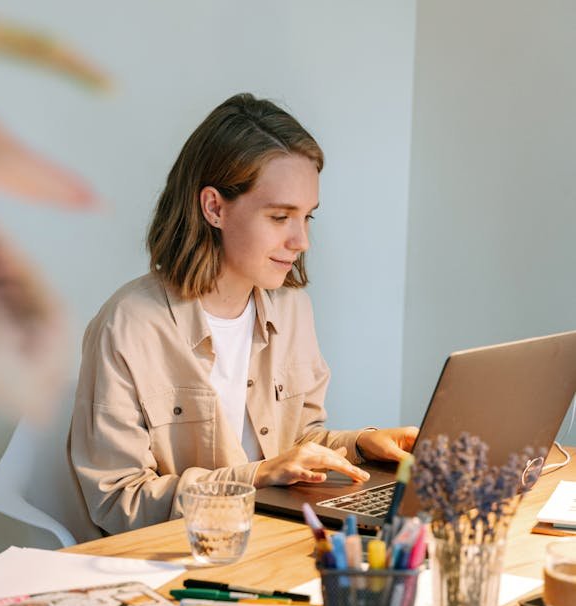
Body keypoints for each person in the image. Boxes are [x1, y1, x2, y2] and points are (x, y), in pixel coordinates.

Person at [70, 93, 417, 534]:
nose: (301, 241)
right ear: (214, 207)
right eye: (279, 217)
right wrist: (254, 477)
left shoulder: (292, 310)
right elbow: (119, 501)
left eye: (307, 217)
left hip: (274, 546)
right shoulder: (128, 325)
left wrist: (362, 445)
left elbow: (296, 446)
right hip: (182, 564)